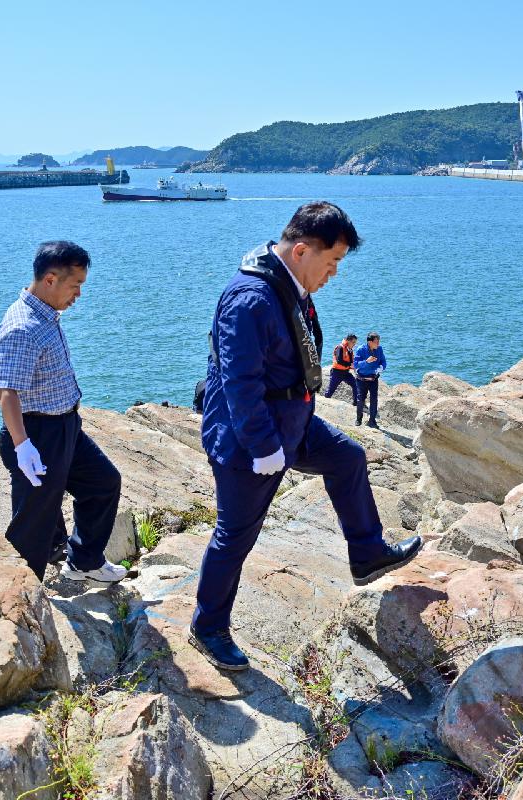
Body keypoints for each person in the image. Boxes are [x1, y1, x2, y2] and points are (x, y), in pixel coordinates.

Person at [192, 201, 422, 671]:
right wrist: (263, 448)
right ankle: (208, 626)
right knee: (235, 536)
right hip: (249, 441)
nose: (335, 272)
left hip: (292, 422)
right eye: (332, 261)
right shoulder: (251, 299)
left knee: (347, 459)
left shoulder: (288, 285)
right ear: (301, 250)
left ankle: (367, 553)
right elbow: (240, 383)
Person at [0, 241, 127, 585]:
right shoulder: (23, 327)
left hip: (66, 427)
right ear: (50, 279)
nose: (79, 293)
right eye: (75, 285)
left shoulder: (46, 314)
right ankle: (22, 596)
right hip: (38, 434)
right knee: (33, 522)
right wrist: (23, 446)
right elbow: (7, 392)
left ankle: (83, 561)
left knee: (103, 482)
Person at [353, 332, 386, 428]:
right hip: (361, 380)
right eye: (376, 341)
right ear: (369, 342)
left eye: (379, 341)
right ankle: (358, 419)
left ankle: (372, 421)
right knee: (360, 400)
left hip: (373, 379)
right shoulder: (361, 349)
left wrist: (381, 368)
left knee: (374, 400)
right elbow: (355, 364)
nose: (378, 343)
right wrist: (366, 361)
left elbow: (383, 362)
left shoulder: (379, 349)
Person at [323, 332, 358, 404]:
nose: (354, 344)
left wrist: (354, 366)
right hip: (337, 372)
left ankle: (356, 403)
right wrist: (349, 364)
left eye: (355, 343)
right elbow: (339, 361)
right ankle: (324, 402)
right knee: (330, 390)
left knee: (355, 384)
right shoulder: (340, 347)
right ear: (348, 340)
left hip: (345, 373)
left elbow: (351, 361)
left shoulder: (350, 350)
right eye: (353, 342)